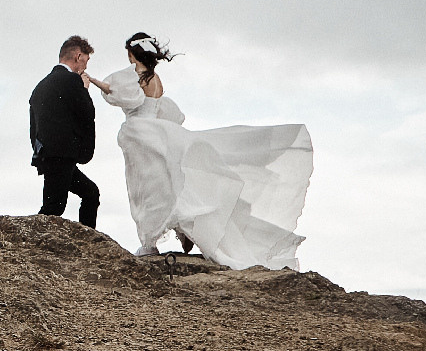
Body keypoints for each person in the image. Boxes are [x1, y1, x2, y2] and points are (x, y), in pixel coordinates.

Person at [93, 32, 313, 269]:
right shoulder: (156, 78)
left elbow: (120, 95)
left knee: (144, 188)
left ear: (131, 52)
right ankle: (176, 228)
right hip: (158, 132)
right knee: (165, 184)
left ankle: (149, 242)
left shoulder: (136, 76)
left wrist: (92, 81)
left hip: (141, 135)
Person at [29, 35, 99, 227]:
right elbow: (87, 113)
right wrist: (84, 89)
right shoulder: (72, 81)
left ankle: (88, 240)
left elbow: (33, 126)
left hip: (47, 155)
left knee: (90, 193)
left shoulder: (40, 86)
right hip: (62, 156)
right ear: (78, 56)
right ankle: (31, 245)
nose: (85, 67)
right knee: (53, 209)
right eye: (85, 60)